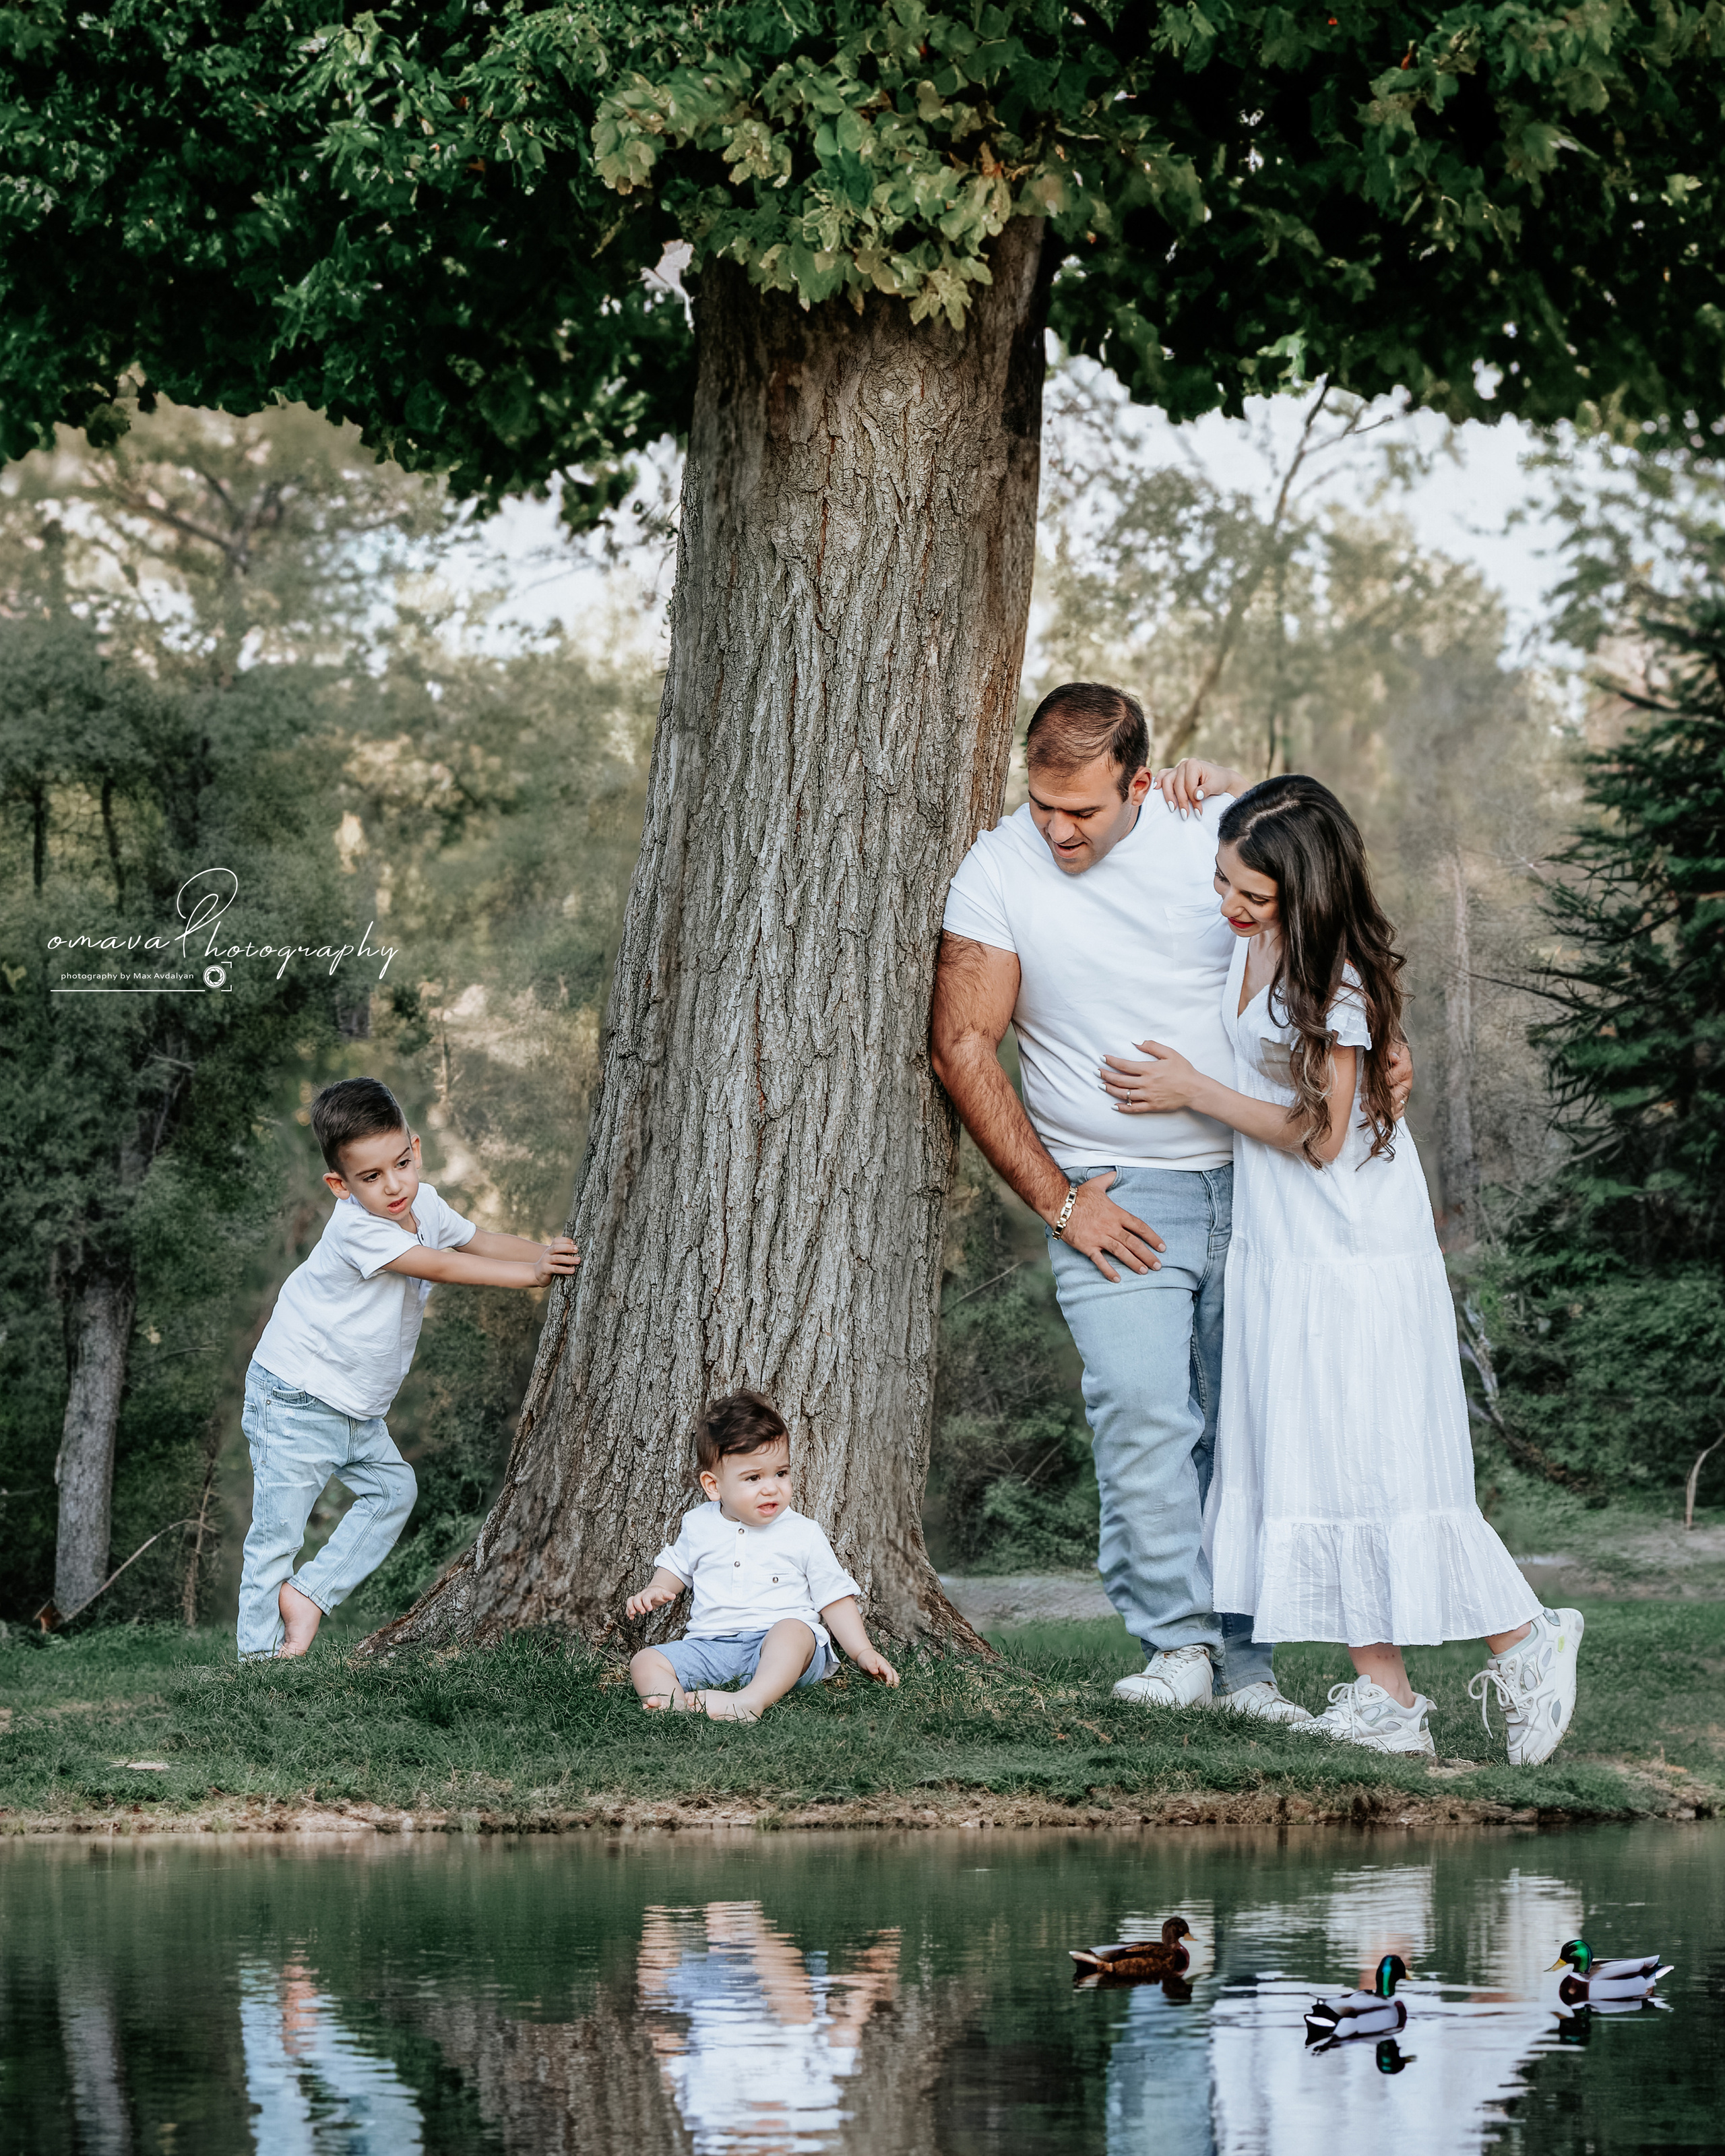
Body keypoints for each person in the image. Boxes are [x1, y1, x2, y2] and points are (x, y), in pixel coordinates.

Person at [931, 683, 1408, 1719]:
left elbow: (1321, 914)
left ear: (1140, 782)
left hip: (1263, 1178)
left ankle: (1251, 1669)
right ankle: (1179, 1647)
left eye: (1085, 812)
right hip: (1115, 1192)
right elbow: (963, 1043)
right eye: (1043, 804)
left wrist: (1382, 1043)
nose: (1058, 829)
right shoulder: (997, 868)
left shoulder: (1208, 828)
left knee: (1247, 1426)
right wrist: (1063, 1204)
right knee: (1147, 1414)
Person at [1101, 772, 1582, 1762]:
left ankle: (1530, 1637)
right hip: (1289, 1244)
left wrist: (1193, 1090)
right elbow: (1243, 803)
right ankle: (1387, 1696)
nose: (1229, 906)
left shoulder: (1337, 983)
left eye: (1252, 894)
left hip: (1350, 1244)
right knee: (1323, 1455)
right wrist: (1213, 783)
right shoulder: (1265, 931)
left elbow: (1321, 1138)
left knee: (1379, 1458)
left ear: (1304, 896)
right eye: (1225, 881)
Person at [237, 1076, 581, 1659]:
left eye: (401, 1163)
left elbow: (478, 1241)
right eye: (371, 1177)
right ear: (339, 1185)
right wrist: (531, 1277)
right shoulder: (355, 1227)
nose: (394, 1185)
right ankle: (256, 1664)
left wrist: (554, 1253)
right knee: (277, 1535)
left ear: (415, 1148)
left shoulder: (421, 1203)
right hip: (294, 1397)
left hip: (357, 1409)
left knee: (394, 1490)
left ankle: (309, 1596)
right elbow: (441, 1267)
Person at [625, 1390, 901, 1721]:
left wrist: (863, 1651)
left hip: (784, 1652)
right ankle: (677, 1707)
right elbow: (676, 1566)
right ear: (714, 1486)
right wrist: (657, 1587)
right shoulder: (699, 1523)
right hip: (714, 1647)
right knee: (645, 1661)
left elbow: (834, 1597)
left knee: (793, 1630)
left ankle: (749, 1701)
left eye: (780, 1473)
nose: (771, 1488)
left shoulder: (803, 1532)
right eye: (754, 1478)